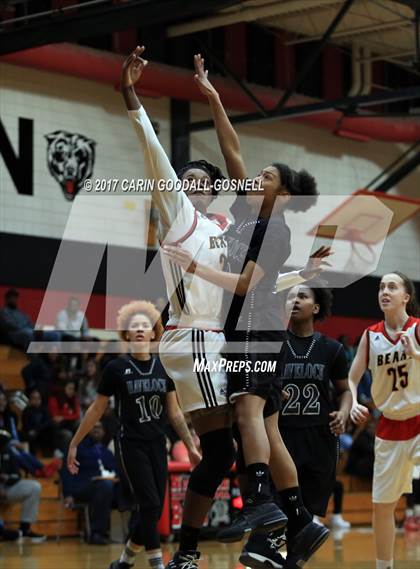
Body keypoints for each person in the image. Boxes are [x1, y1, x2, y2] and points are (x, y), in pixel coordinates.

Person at [165, 53, 331, 567]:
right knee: (269, 425)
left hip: (254, 332)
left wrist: (193, 271)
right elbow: (231, 147)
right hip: (250, 332)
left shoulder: (273, 229)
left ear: (281, 194)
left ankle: (263, 504)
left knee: (248, 412)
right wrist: (212, 97)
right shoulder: (245, 212)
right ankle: (301, 521)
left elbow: (243, 282)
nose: (253, 179)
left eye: (265, 177)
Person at [121, 47, 238, 569]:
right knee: (255, 416)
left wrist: (214, 100)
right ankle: (267, 511)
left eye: (198, 182)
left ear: (214, 193)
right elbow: (154, 153)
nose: (188, 185)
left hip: (216, 339)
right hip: (194, 337)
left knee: (221, 453)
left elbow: (238, 166)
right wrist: (130, 94)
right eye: (184, 180)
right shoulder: (179, 215)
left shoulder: (227, 227)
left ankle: (187, 551)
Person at [67, 300, 200, 569]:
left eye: (145, 326)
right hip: (131, 445)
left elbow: (174, 414)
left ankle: (124, 562)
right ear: (127, 334)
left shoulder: (165, 369)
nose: (140, 329)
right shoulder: (115, 369)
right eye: (134, 326)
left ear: (153, 333)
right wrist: (74, 443)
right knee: (150, 504)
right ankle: (156, 564)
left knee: (153, 508)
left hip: (157, 445)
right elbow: (96, 409)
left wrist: (191, 447)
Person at [237, 282, 351, 567]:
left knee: (304, 523)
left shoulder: (333, 349)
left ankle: (281, 559)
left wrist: (344, 411)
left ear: (316, 307)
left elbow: (345, 390)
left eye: (302, 296)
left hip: (319, 438)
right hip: (281, 436)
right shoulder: (271, 343)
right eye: (289, 296)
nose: (295, 300)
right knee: (281, 509)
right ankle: (264, 550)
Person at [349, 271, 420, 569]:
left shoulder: (417, 329)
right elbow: (352, 379)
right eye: (381, 287)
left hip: (419, 419)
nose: (384, 292)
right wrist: (352, 402)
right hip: (389, 426)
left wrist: (415, 353)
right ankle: (384, 566)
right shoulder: (370, 335)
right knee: (382, 506)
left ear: (406, 297)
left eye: (392, 286)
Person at [60, 422, 118, 545]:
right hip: (83, 487)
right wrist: (68, 494)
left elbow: (116, 470)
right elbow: (66, 471)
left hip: (105, 486)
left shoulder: (105, 451)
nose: (97, 430)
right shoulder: (77, 447)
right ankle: (96, 533)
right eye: (94, 427)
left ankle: (134, 534)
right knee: (105, 486)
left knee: (132, 488)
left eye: (100, 427)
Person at [0, 429, 46, 542]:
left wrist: (6, 478)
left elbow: (17, 475)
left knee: (34, 487)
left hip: (8, 488)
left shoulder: (8, 451)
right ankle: (2, 532)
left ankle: (25, 529)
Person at [48, 380, 81, 453]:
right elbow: (55, 418)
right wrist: (69, 416)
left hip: (70, 424)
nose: (72, 391)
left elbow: (77, 415)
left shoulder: (74, 399)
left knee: (80, 423)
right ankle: (62, 453)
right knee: (68, 434)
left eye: (73, 389)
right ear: (64, 388)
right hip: (59, 427)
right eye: (69, 388)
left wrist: (64, 417)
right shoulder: (54, 399)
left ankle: (81, 451)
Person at [21, 389, 54, 456]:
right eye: (34, 398)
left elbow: (48, 422)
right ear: (30, 400)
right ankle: (31, 457)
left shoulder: (44, 409)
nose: (37, 400)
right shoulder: (26, 411)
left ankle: (49, 455)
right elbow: (26, 425)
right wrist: (34, 430)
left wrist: (37, 429)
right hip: (31, 432)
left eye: (38, 398)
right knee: (28, 435)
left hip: (41, 431)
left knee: (51, 430)